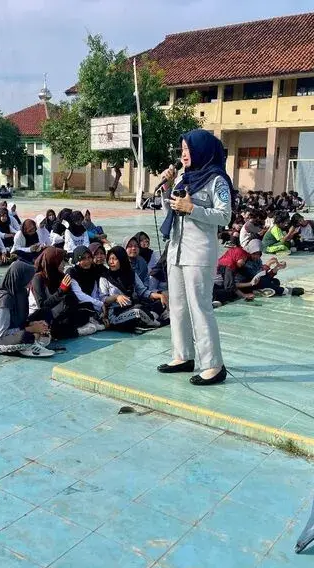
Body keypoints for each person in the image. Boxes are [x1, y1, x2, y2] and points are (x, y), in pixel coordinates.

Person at [157, 129, 231, 386]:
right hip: (176, 249)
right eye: (182, 150)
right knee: (177, 306)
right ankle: (183, 356)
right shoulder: (182, 179)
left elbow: (225, 216)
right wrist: (167, 188)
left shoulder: (216, 180)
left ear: (202, 150)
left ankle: (213, 365)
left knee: (200, 307)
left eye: (188, 149)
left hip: (199, 252)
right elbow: (171, 210)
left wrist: (192, 208)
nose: (184, 155)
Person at [0, 261, 55, 358]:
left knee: (45, 312)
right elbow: (2, 333)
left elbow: (20, 321)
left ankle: (34, 338)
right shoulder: (4, 299)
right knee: (25, 337)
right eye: (28, 279)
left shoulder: (21, 291)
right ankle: (33, 340)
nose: (31, 282)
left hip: (14, 329)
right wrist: (31, 329)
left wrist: (32, 323)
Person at [29, 248, 98, 338]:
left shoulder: (60, 275)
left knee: (87, 307)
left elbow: (72, 299)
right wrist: (61, 290)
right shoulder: (38, 278)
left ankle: (70, 327)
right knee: (52, 325)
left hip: (59, 313)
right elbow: (42, 306)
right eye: (61, 261)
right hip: (41, 316)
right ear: (53, 262)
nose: (63, 264)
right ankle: (75, 331)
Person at [99, 246, 167, 332]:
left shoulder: (131, 274)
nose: (111, 262)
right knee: (138, 310)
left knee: (159, 303)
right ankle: (157, 323)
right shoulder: (105, 277)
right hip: (116, 314)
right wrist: (116, 297)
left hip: (131, 307)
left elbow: (142, 291)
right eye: (109, 259)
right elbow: (103, 299)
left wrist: (160, 296)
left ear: (122, 260)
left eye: (115, 259)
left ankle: (144, 321)